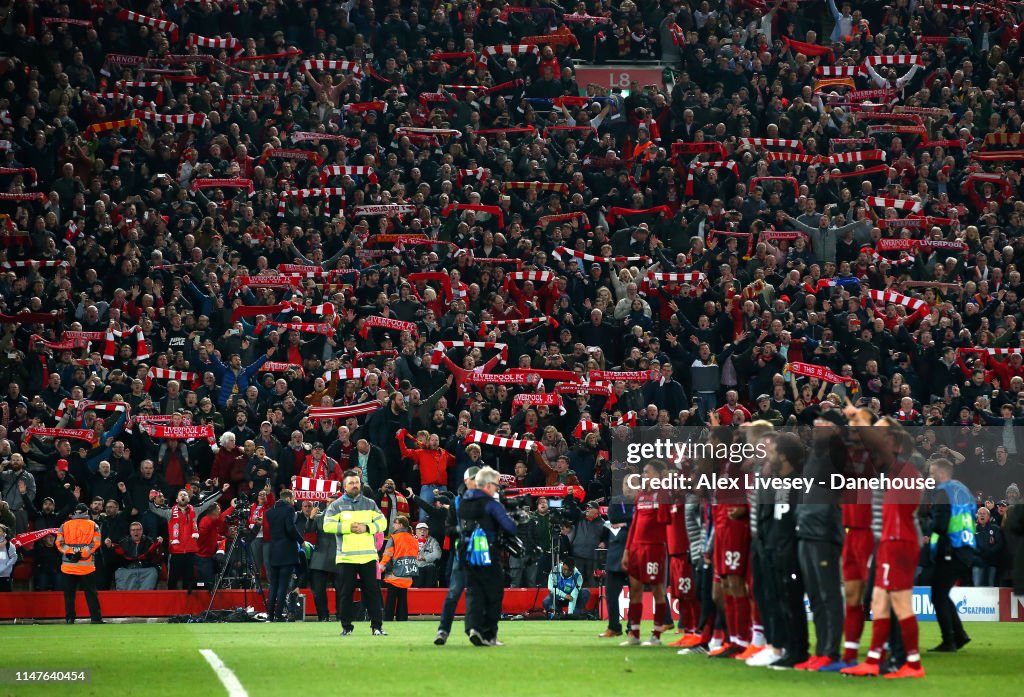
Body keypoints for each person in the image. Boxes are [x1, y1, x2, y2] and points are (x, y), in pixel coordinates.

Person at [843, 418, 927, 679]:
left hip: (898, 542)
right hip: (887, 540)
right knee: (878, 602)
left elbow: (912, 507)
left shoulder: (904, 469)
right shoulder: (887, 469)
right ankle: (875, 659)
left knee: (898, 604)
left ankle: (910, 662)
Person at [324, 470, 388, 636]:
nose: (354, 485)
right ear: (344, 486)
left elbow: (383, 522)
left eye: (357, 482)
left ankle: (377, 627)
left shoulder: (370, 503)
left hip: (367, 557)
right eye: (351, 483)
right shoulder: (336, 505)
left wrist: (367, 528)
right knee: (345, 594)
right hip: (347, 557)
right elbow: (327, 526)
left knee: (373, 593)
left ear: (361, 484)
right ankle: (346, 627)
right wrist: (347, 528)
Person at [458, 466, 517, 646]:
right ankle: (489, 633)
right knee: (494, 592)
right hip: (487, 552)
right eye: (497, 485)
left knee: (475, 591)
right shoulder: (491, 504)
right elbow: (510, 527)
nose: (497, 489)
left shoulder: (464, 501)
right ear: (489, 485)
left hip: (467, 551)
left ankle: (473, 628)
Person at [925, 458, 975, 652]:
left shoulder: (942, 492)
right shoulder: (963, 490)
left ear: (941, 474)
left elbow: (939, 524)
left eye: (931, 473)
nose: (930, 477)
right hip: (966, 547)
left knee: (938, 595)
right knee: (942, 593)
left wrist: (925, 528)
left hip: (950, 549)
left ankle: (950, 640)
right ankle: (959, 636)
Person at [621, 460, 670, 646]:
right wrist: (626, 550)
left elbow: (665, 521)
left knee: (658, 590)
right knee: (635, 590)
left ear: (658, 475)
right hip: (635, 548)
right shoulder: (640, 495)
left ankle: (656, 636)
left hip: (654, 548)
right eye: (643, 472)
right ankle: (634, 635)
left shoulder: (664, 495)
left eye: (647, 472)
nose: (643, 475)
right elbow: (634, 525)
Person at [435, 465, 479, 645]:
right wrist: (462, 529)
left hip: (480, 555)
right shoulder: (457, 503)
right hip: (461, 554)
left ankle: (473, 629)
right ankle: (443, 631)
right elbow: (448, 528)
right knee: (454, 593)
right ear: (467, 481)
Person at [56, 503, 103, 624]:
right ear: (86, 513)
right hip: (86, 567)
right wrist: (82, 554)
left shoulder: (64, 525)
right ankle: (96, 618)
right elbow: (96, 543)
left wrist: (71, 553)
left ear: (75, 513)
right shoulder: (93, 525)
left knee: (69, 595)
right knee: (91, 594)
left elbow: (59, 543)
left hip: (68, 566)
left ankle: (70, 618)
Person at [599, 477, 634, 638]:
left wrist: (625, 523)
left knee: (636, 594)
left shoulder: (643, 503)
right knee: (612, 593)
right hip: (615, 554)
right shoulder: (615, 501)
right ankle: (614, 626)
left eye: (633, 484)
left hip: (635, 552)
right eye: (626, 483)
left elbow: (642, 520)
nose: (628, 487)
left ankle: (633, 628)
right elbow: (613, 517)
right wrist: (632, 522)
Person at [266, 489, 303, 622]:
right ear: (288, 499)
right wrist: (301, 541)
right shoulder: (288, 509)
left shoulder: (269, 512)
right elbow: (290, 528)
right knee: (283, 585)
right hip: (287, 551)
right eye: (293, 500)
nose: (293, 503)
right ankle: (278, 614)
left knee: (273, 585)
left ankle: (270, 614)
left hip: (273, 551)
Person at [381, 515, 419, 621]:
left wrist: (382, 566)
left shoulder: (394, 538)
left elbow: (387, 554)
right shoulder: (413, 539)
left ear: (400, 525)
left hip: (394, 573)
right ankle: (402, 619)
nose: (393, 524)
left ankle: (388, 619)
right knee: (403, 599)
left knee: (391, 600)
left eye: (395, 522)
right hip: (407, 573)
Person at [107, 523, 162, 590]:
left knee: (153, 571)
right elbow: (117, 557)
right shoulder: (123, 542)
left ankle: (145, 596)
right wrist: (110, 547)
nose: (136, 532)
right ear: (130, 532)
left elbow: (156, 557)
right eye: (133, 530)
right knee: (119, 572)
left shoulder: (149, 542)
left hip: (145, 569)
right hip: (128, 569)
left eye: (138, 530)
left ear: (142, 531)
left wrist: (159, 545)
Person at [974, 506, 1004, 587]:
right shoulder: (973, 528)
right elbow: (970, 544)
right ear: (977, 515)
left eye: (984, 513)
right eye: (980, 513)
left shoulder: (995, 528)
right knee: (977, 585)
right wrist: (979, 553)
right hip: (978, 562)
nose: (982, 515)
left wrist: (990, 552)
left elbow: (1000, 544)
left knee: (991, 586)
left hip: (992, 562)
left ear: (989, 516)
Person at [413, 522, 441, 587]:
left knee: (430, 569)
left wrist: (424, 558)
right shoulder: (410, 540)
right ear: (416, 531)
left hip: (428, 565)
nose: (422, 531)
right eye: (420, 529)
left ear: (427, 531)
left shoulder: (433, 541)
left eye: (425, 530)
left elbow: (438, 554)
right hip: (415, 564)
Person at [0, 524, 18, 591]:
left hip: (5, 575)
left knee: (5, 596)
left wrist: (6, 566)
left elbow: (14, 557)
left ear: (4, 533)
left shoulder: (9, 545)